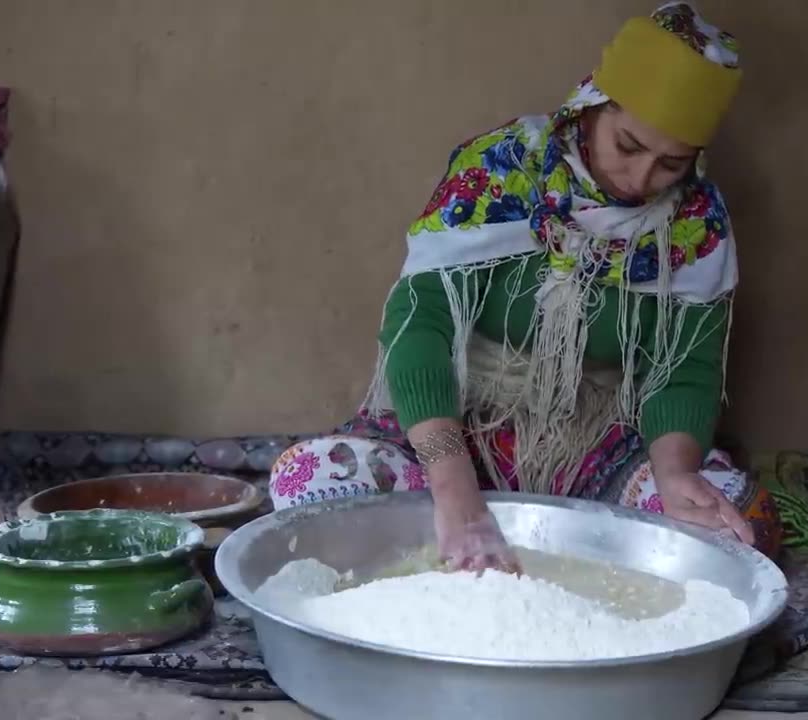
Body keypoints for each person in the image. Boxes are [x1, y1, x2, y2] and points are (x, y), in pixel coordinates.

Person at [270, 2, 781, 573]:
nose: (640, 180)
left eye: (671, 164)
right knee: (313, 483)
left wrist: (676, 473)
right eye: (629, 146)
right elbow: (420, 326)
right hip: (458, 422)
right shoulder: (497, 174)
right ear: (590, 108)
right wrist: (454, 488)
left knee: (738, 523)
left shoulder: (696, 226)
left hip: (595, 441)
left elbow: (687, 370)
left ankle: (550, 554)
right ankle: (464, 543)